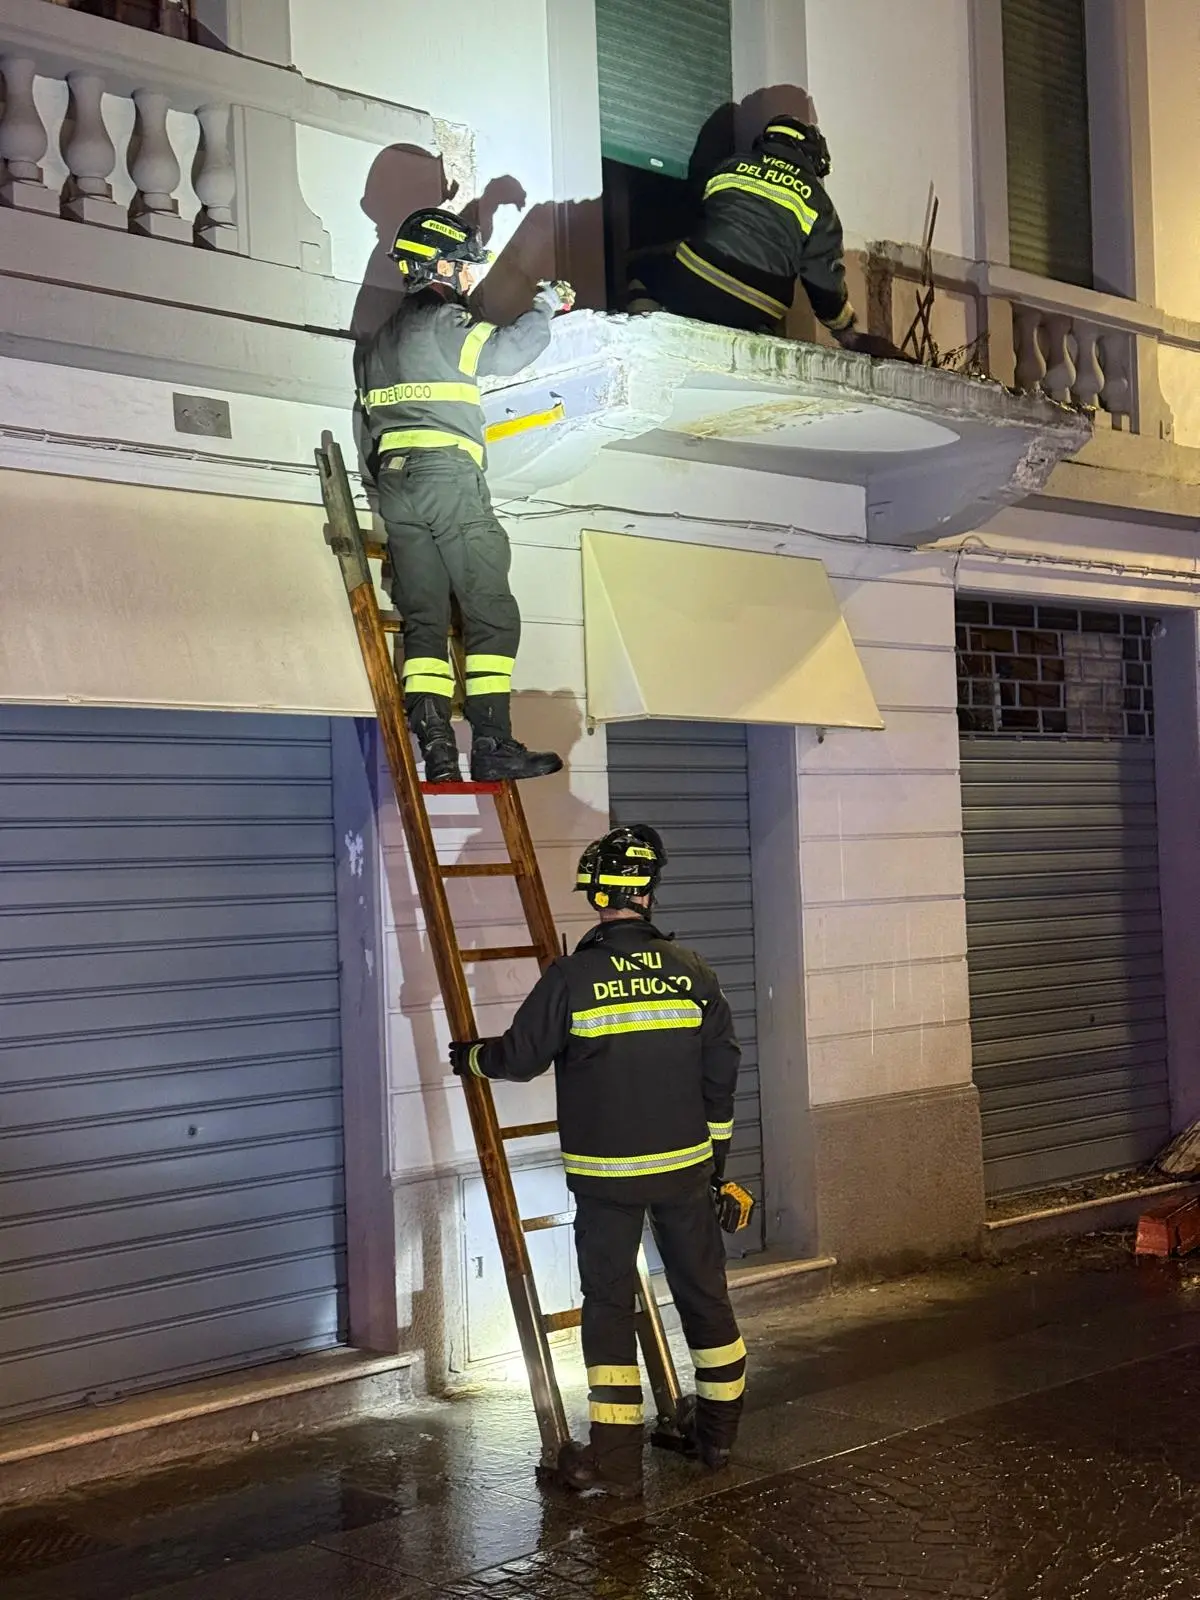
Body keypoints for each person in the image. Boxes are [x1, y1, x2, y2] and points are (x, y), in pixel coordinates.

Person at [450, 824, 749, 1497]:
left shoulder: (574, 976)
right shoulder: (694, 972)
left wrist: (469, 1056)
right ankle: (717, 1438)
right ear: (648, 892)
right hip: (686, 1173)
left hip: (608, 1183)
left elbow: (518, 1057)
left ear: (595, 894)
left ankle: (614, 1464)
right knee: (706, 1297)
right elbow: (721, 1078)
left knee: (610, 1307)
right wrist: (715, 1167)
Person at [355, 207, 575, 783]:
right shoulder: (445, 321)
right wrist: (546, 306)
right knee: (491, 613)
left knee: (424, 618)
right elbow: (505, 351)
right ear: (445, 267)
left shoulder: (377, 342)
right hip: (447, 480)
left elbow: (366, 427)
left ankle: (436, 747)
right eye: (467, 267)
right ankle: (492, 742)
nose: (472, 278)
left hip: (396, 490)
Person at [630, 114, 902, 358]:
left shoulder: (730, 165)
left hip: (698, 280)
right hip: (760, 302)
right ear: (809, 156)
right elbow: (823, 280)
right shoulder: (818, 202)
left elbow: (700, 216)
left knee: (641, 271)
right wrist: (845, 331)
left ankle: (644, 338)